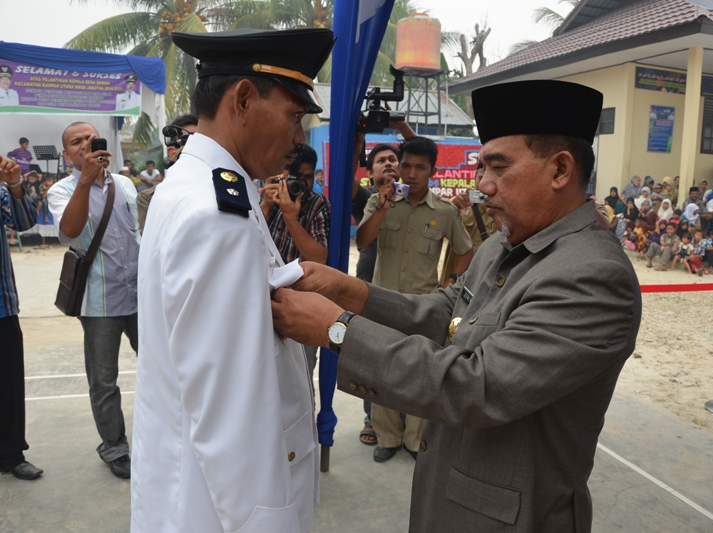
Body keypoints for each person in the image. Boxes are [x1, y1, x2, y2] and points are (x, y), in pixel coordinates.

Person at [271, 79, 642, 532]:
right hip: (447, 496)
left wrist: (338, 330)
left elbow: (477, 386)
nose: (482, 184)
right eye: (482, 167)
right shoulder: (505, 243)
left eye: (498, 168)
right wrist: (349, 291)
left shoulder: (593, 275)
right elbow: (446, 314)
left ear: (560, 170)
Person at [131, 27, 334, 533]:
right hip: (219, 510)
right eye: (294, 116)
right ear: (242, 99)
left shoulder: (192, 186)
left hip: (190, 487)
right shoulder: (216, 213)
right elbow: (233, 414)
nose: (299, 138)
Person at [355, 135, 473, 463]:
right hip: (382, 302)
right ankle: (387, 437)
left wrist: (450, 283)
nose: (411, 173)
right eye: (406, 165)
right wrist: (383, 207)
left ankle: (415, 440)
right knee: (383, 371)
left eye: (420, 167)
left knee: (420, 376)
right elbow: (363, 240)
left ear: (432, 171)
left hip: (424, 307)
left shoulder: (445, 211)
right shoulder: (378, 201)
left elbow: (465, 252)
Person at [47, 122, 140, 479]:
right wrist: (85, 180)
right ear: (66, 154)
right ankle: (115, 447)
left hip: (140, 295)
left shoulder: (126, 184)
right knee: (103, 380)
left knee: (159, 367)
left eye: (90, 137)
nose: (86, 144)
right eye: (76, 141)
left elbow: (139, 233)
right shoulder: (61, 190)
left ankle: (163, 433)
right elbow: (69, 232)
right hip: (99, 301)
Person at [350, 122, 416, 446]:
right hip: (369, 288)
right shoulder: (366, 198)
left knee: (407, 358)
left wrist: (401, 126)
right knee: (373, 357)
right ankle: (372, 419)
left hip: (407, 292)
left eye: (394, 159)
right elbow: (347, 174)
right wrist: (360, 135)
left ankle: (404, 422)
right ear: (370, 172)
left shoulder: (413, 198)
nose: (389, 163)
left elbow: (420, 154)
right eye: (381, 160)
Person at [262, 143, 331, 378]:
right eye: (295, 177)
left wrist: (291, 218)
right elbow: (245, 237)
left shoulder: (317, 203)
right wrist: (265, 205)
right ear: (282, 175)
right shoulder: (268, 196)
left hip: (301, 303)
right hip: (264, 298)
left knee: (299, 374)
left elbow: (320, 257)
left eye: (308, 177)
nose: (301, 184)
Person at [0, 155, 42, 480]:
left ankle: (11, 454)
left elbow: (25, 222)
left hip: (1, 306)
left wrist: (14, 184)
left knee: (8, 382)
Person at [136, 113, 198, 232]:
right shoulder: (148, 198)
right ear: (172, 152)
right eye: (189, 142)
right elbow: (153, 238)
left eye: (202, 142)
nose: (197, 148)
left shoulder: (223, 190)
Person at [441, 162, 497, 285]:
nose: (484, 183)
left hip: (490, 281)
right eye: (480, 178)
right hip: (459, 281)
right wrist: (452, 208)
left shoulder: (504, 211)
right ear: (474, 180)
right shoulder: (460, 206)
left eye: (491, 178)